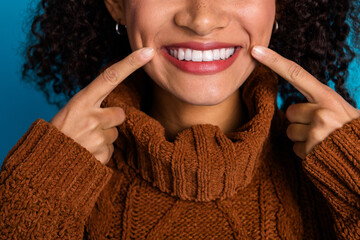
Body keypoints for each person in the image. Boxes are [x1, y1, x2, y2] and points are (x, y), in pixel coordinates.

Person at [1, 0, 360, 239]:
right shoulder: (51, 180)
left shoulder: (342, 179)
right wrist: (43, 188)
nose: (202, 20)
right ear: (116, 4)